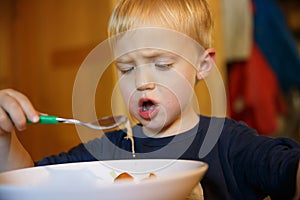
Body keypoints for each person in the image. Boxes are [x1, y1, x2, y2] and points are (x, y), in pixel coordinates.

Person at [0, 0, 299, 199]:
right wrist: (3, 136)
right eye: (126, 68)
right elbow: (24, 183)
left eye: (162, 65)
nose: (141, 82)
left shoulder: (230, 144)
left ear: (202, 65)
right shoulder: (108, 151)